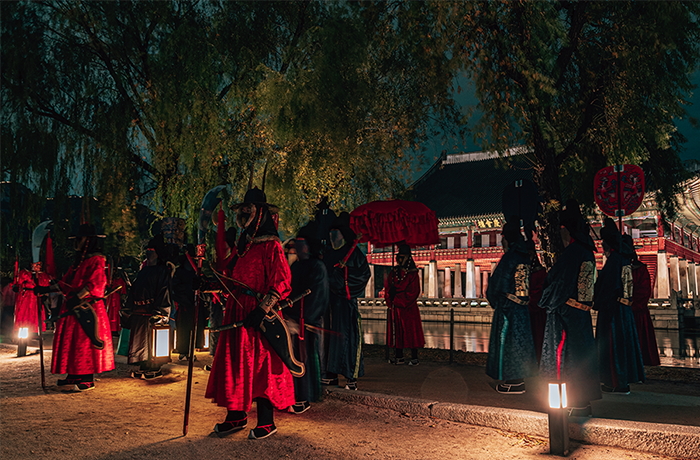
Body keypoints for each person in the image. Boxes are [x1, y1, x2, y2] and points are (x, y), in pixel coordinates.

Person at [205, 187, 294, 440]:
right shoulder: (242, 247)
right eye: (242, 209)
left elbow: (282, 281)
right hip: (236, 312)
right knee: (235, 364)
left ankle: (267, 421)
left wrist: (263, 309)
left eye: (249, 208)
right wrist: (206, 284)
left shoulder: (272, 246)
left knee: (261, 366)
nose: (244, 212)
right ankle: (236, 416)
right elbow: (231, 279)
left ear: (261, 212)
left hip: (259, 315)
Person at [539, 199, 601, 416]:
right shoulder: (588, 252)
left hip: (567, 314)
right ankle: (583, 402)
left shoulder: (573, 253)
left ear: (567, 230)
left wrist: (546, 300)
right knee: (582, 357)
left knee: (566, 359)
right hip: (581, 315)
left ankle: (571, 402)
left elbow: (558, 284)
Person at [42, 223, 114, 391]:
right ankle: (73, 374)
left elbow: (96, 283)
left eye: (79, 239)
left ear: (88, 240)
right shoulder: (78, 262)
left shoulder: (97, 259)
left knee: (85, 343)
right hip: (73, 308)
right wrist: (45, 288)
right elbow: (65, 283)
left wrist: (78, 297)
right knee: (73, 343)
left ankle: (87, 378)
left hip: (87, 308)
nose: (76, 242)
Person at [485, 219, 538, 393]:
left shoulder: (509, 258)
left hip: (508, 308)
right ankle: (519, 379)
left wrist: (494, 298)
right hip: (522, 308)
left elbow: (497, 284)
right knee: (520, 344)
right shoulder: (525, 257)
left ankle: (513, 382)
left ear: (507, 239)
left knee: (507, 343)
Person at [594, 219, 645, 394]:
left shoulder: (615, 260)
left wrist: (597, 301)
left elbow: (607, 286)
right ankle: (620, 381)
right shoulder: (624, 259)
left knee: (613, 347)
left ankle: (618, 382)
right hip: (625, 310)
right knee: (623, 346)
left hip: (614, 311)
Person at [322, 212, 371, 390]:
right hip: (329, 304)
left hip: (345, 304)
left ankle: (351, 377)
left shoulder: (355, 254)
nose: (332, 236)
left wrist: (343, 275)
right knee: (327, 340)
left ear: (343, 234)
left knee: (347, 339)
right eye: (331, 232)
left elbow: (364, 274)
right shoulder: (328, 255)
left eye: (336, 232)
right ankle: (329, 374)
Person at [287, 223, 329, 414]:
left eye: (301, 244)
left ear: (309, 246)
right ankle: (291, 395)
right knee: (292, 359)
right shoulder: (296, 265)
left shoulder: (317, 266)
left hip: (306, 322)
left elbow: (318, 297)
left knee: (304, 361)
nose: (298, 248)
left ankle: (304, 397)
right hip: (292, 320)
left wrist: (301, 317)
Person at [120, 233, 174, 379]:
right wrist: (128, 308)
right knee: (140, 341)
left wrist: (160, 312)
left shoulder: (163, 271)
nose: (148, 254)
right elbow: (133, 290)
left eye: (152, 251)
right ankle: (143, 365)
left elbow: (164, 291)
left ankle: (155, 367)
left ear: (158, 254)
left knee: (153, 341)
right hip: (139, 312)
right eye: (147, 251)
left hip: (152, 312)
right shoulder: (143, 271)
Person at [384, 243, 424, 366]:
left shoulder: (412, 274)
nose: (399, 259)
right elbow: (388, 287)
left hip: (409, 307)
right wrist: (390, 297)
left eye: (403, 257)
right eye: (399, 256)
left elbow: (414, 291)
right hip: (396, 307)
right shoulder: (394, 272)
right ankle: (399, 356)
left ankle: (414, 357)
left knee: (411, 331)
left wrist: (397, 298)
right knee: (398, 332)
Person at [624, 234, 660, 366]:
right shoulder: (622, 268)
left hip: (636, 312)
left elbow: (644, 292)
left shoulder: (641, 270)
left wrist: (630, 305)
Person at [13, 264, 51, 339]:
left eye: (40, 264)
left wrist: (45, 296)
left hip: (37, 297)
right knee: (25, 313)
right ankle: (22, 332)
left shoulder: (43, 275)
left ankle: (35, 333)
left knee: (36, 314)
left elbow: (46, 286)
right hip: (27, 297)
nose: (39, 266)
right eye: (37, 264)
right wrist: (16, 285)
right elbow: (19, 283)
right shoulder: (25, 273)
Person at [527, 240, 547, 363]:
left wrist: (528, 301)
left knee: (538, 337)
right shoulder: (527, 270)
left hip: (537, 312)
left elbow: (540, 292)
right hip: (528, 311)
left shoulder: (541, 272)